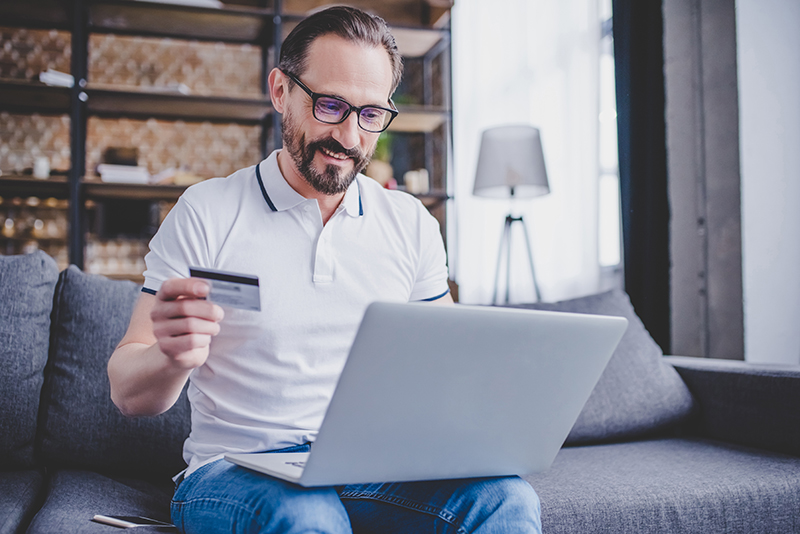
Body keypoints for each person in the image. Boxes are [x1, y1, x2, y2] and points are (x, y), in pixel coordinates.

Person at [108, 6, 542, 533]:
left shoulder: (410, 222)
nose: (350, 137)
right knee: (306, 512)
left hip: (372, 469)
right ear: (280, 91)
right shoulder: (206, 212)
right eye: (331, 105)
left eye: (370, 115)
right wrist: (173, 356)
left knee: (505, 499)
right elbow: (129, 394)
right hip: (237, 471)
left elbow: (447, 367)